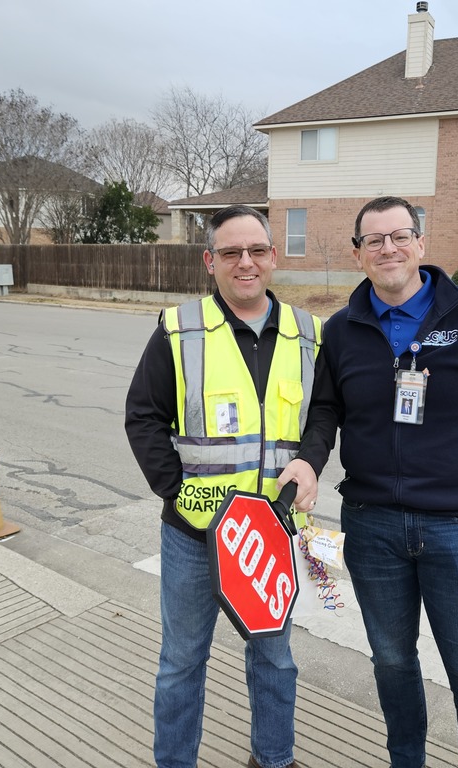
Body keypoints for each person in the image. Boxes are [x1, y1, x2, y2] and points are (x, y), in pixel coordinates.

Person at [282, 196, 458, 767]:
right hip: (372, 526)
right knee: (392, 663)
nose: (388, 248)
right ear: (358, 254)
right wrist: (309, 461)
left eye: (399, 236)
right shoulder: (342, 330)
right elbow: (326, 409)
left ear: (420, 242)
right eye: (374, 240)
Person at [125, 205, 324, 768]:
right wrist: (177, 493)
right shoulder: (179, 329)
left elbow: (324, 413)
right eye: (231, 252)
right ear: (210, 261)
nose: (246, 262)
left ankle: (273, 759)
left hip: (270, 537)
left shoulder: (308, 334)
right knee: (182, 662)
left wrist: (311, 460)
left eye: (256, 250)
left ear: (273, 257)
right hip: (195, 536)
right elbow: (143, 417)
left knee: (275, 661)